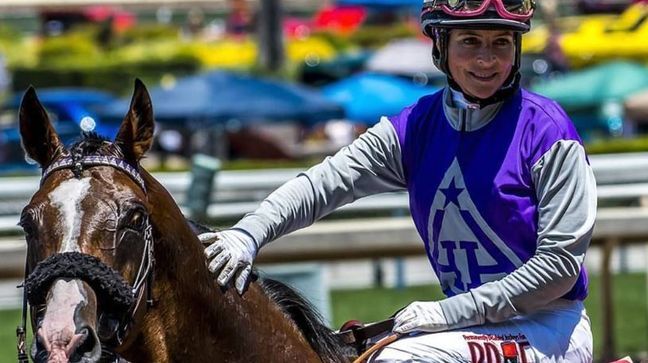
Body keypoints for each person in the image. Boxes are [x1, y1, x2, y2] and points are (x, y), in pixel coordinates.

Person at [200, 0, 596, 361]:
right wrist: (247, 235)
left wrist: (446, 312)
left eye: (501, 44)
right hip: (471, 329)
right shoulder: (415, 128)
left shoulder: (547, 130)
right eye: (470, 41)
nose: (486, 60)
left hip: (550, 328)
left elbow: (559, 266)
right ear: (440, 46)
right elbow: (324, 183)